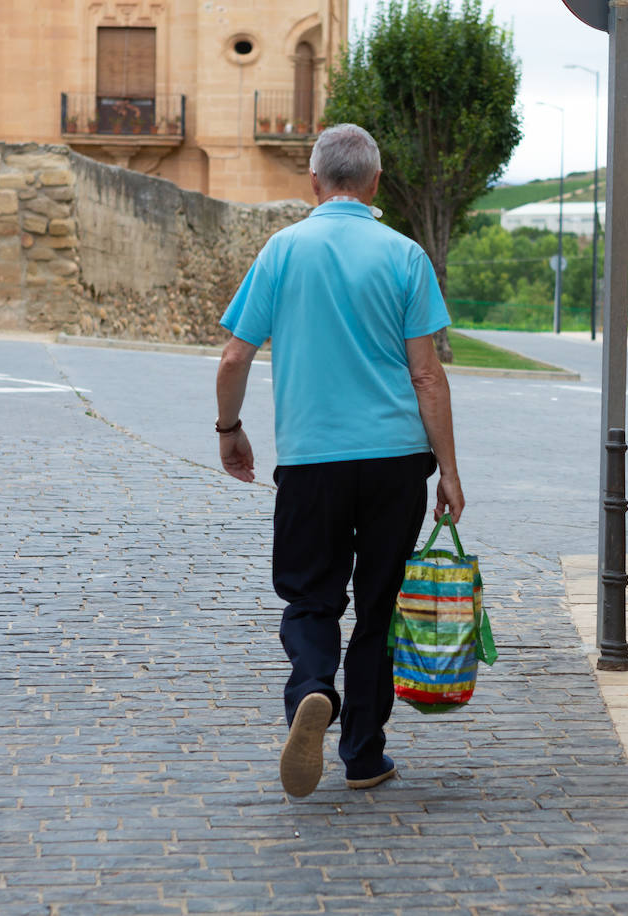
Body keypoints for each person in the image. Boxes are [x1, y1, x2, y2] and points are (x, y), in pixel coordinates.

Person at [214, 123, 464, 798]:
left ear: (315, 182)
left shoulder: (283, 249)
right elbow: (427, 375)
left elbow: (236, 354)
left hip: (312, 462)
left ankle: (311, 690)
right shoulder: (406, 255)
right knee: (379, 610)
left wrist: (229, 428)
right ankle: (363, 756)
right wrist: (449, 469)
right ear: (376, 183)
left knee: (309, 597)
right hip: (395, 463)